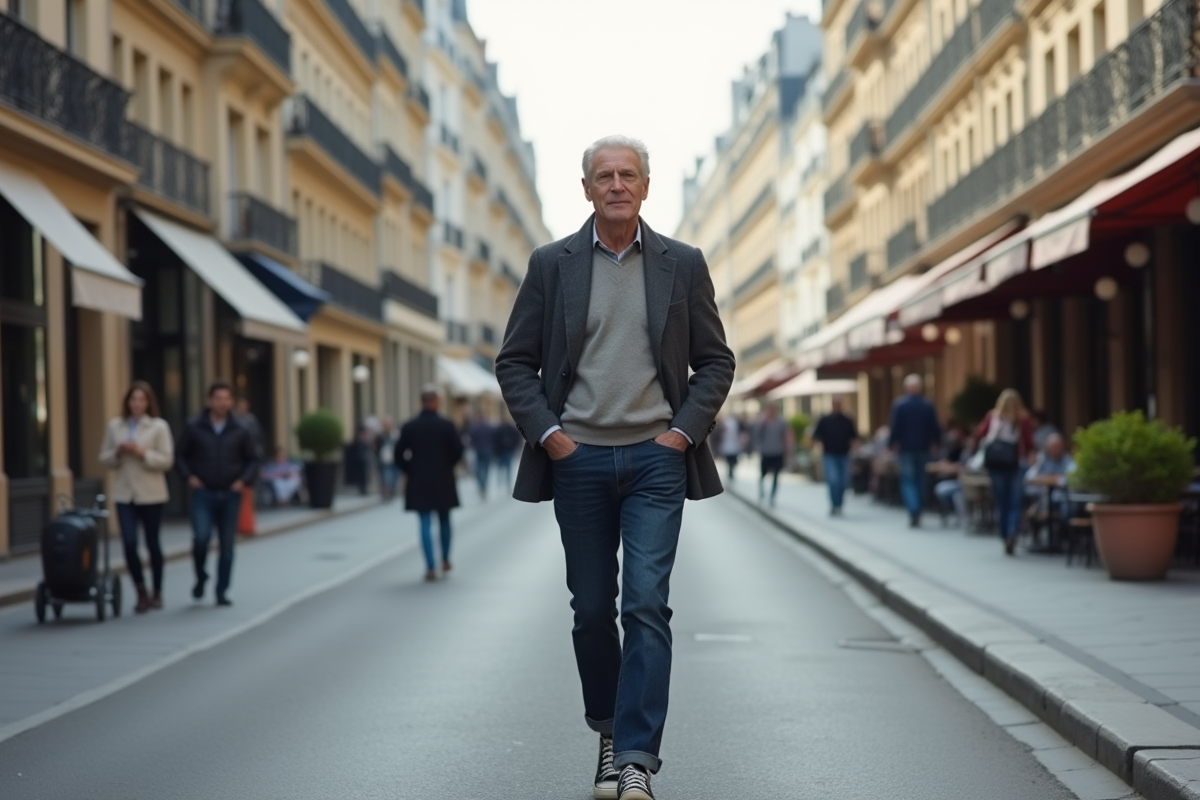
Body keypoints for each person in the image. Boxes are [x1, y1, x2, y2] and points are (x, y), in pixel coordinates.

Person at [495, 135, 735, 800]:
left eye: (629, 174)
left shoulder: (682, 265)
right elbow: (514, 361)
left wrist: (684, 434)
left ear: (647, 186)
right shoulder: (553, 265)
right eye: (604, 175)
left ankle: (634, 758)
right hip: (578, 460)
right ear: (586, 188)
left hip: (658, 459)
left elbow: (716, 360)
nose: (617, 184)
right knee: (592, 608)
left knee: (647, 604)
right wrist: (550, 435)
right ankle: (608, 728)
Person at [175, 381, 260, 606]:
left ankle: (221, 591)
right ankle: (201, 576)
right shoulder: (194, 426)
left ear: (231, 401)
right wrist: (189, 477)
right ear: (209, 400)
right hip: (203, 493)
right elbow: (179, 455)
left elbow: (253, 459)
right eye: (218, 398)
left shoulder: (241, 428)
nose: (222, 403)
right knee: (201, 538)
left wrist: (243, 481)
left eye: (226, 398)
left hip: (230, 493)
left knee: (227, 545)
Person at [98, 381, 174, 613]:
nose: (137, 404)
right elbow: (103, 457)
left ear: (148, 402)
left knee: (152, 544)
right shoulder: (115, 426)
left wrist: (143, 454)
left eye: (141, 399)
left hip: (151, 494)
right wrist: (118, 452)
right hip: (124, 494)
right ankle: (140, 590)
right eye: (133, 399)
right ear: (127, 402)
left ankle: (157, 591)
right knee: (129, 543)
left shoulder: (158, 427)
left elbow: (167, 460)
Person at [396, 385, 465, 582]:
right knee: (444, 520)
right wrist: (447, 464)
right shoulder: (446, 425)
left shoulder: (410, 426)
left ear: (422, 401)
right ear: (437, 402)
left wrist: (411, 468)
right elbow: (458, 450)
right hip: (443, 478)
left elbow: (398, 454)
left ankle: (430, 566)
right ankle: (445, 558)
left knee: (424, 522)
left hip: (419, 480)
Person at [975, 388, 1035, 555]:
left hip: (996, 465)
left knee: (1002, 503)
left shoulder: (993, 416)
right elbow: (1029, 443)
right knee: (1015, 503)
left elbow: (980, 434)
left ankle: (1004, 535)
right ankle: (1011, 533)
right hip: (1016, 464)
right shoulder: (1023, 418)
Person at [888, 374, 942, 527]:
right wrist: (937, 443)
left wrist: (891, 444)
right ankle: (917, 508)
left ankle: (914, 509)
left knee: (908, 480)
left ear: (907, 388)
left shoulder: (899, 405)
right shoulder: (927, 405)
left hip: (906, 449)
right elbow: (935, 428)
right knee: (920, 480)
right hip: (923, 448)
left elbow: (895, 427)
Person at [811, 397, 859, 516]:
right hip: (830, 455)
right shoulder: (825, 420)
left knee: (843, 482)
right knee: (833, 480)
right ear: (832, 405)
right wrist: (818, 446)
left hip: (844, 455)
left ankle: (839, 504)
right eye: (835, 404)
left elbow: (854, 437)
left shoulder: (847, 420)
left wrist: (855, 448)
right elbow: (816, 436)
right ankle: (834, 505)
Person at [1025, 432, 1077, 524]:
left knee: (1065, 506)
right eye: (1052, 447)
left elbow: (1071, 477)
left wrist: (1052, 478)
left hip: (1061, 497)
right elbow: (1029, 477)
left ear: (1062, 447)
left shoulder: (1067, 459)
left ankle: (1062, 532)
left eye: (1057, 446)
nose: (1055, 449)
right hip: (1044, 497)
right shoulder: (1043, 459)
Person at [754, 404, 791, 507]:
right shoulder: (763, 421)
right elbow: (756, 434)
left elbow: (786, 437)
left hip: (777, 452)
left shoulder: (781, 422)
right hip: (766, 452)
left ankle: (772, 496)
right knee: (763, 474)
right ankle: (761, 491)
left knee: (776, 475)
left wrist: (787, 450)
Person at [466, 414, 496, 499]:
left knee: (479, 468)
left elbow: (471, 439)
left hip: (478, 450)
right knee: (486, 469)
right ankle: (484, 486)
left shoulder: (475, 428)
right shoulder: (489, 428)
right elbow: (494, 438)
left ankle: (481, 484)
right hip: (487, 450)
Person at [375, 416, 402, 501]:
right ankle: (385, 491)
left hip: (395, 459)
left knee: (394, 476)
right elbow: (376, 447)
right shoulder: (380, 436)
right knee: (384, 476)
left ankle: (392, 491)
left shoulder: (396, 434)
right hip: (384, 460)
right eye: (385, 424)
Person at [493, 414, 522, 488]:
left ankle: (504, 482)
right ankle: (504, 482)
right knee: (506, 467)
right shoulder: (509, 428)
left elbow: (495, 440)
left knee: (505, 467)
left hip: (506, 451)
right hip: (505, 450)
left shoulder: (501, 428)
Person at [718, 415, 743, 481]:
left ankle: (731, 471)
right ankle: (730, 471)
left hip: (732, 445)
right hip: (730, 445)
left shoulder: (730, 424)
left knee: (732, 460)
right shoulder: (727, 424)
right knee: (730, 460)